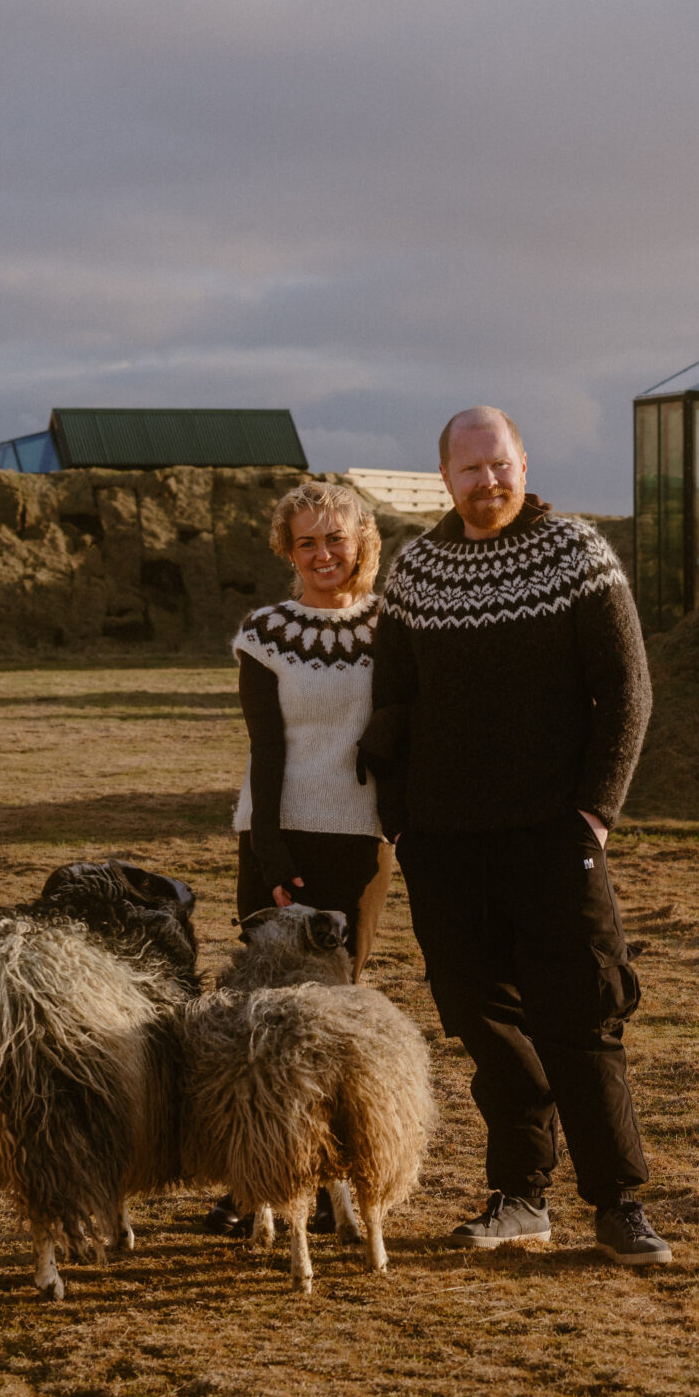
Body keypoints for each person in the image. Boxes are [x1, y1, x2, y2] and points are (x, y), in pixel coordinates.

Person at [363, 405, 668, 1266]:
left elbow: (627, 690)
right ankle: (519, 1196)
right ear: (445, 478)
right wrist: (401, 820)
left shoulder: (577, 553)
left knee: (584, 1016)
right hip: (445, 843)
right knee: (482, 1019)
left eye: (499, 464)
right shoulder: (417, 572)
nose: (487, 481)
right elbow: (391, 707)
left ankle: (618, 1202)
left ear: (524, 463)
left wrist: (594, 813)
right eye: (469, 469)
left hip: (553, 835)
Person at [210, 479, 393, 1237]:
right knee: (268, 1019)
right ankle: (253, 1185)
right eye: (308, 541)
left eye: (336, 538)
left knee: (339, 1013)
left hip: (362, 838)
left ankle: (330, 1185)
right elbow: (267, 744)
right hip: (278, 836)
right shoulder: (265, 631)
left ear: (362, 542)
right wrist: (273, 850)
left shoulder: (393, 625)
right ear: (289, 548)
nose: (324, 553)